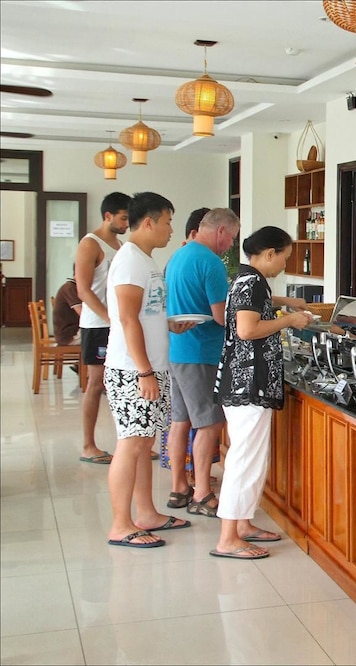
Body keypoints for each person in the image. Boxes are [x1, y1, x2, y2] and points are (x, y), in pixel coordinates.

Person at [211, 226, 314, 559]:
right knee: (245, 460)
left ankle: (242, 525)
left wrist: (285, 303)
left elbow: (254, 305)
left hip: (241, 381)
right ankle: (228, 538)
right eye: (284, 257)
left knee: (251, 458)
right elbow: (247, 329)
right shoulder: (254, 282)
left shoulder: (247, 278)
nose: (285, 264)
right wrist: (289, 321)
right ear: (270, 253)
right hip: (249, 384)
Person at [104, 192, 197, 548]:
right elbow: (127, 319)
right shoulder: (130, 261)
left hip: (151, 367)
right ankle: (120, 525)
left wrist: (168, 325)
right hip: (133, 370)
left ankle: (146, 513)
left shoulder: (145, 259)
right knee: (131, 444)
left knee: (144, 445)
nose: (171, 229)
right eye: (168, 222)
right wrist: (144, 371)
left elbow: (146, 314)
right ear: (148, 223)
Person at [164, 208, 240, 517]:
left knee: (180, 421)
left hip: (177, 351)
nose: (231, 245)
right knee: (210, 424)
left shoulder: (179, 255)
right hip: (201, 353)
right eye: (231, 238)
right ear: (221, 231)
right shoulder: (211, 262)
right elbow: (222, 316)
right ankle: (202, 493)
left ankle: (179, 487)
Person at [74, 192, 131, 464]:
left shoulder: (120, 245)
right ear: (108, 216)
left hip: (117, 324)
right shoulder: (90, 244)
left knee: (124, 381)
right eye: (123, 218)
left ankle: (131, 442)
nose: (127, 223)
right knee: (96, 384)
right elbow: (83, 290)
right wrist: (110, 319)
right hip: (98, 325)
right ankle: (88, 445)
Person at [52, 270, 82, 346]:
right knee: (100, 332)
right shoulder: (70, 288)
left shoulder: (71, 286)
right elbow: (82, 314)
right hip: (69, 335)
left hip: (71, 331)